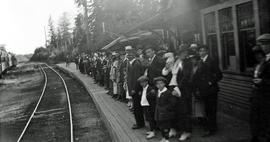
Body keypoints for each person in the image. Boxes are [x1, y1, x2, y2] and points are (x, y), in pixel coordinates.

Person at [193, 45, 223, 137]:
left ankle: (211, 129)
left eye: (203, 50)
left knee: (211, 110)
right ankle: (210, 127)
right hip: (203, 90)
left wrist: (210, 82)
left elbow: (219, 75)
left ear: (207, 51)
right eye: (200, 51)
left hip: (211, 90)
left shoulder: (211, 61)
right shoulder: (199, 61)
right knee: (206, 110)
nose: (201, 52)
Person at [250, 34, 270, 142]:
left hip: (267, 96)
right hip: (257, 95)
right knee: (256, 119)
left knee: (267, 120)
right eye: (262, 44)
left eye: (266, 44)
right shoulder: (260, 62)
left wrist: (263, 82)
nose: (263, 47)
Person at [126, 49, 145, 129]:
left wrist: (134, 89)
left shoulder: (136, 64)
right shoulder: (130, 63)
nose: (128, 56)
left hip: (135, 89)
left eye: (130, 54)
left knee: (137, 107)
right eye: (128, 55)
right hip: (132, 88)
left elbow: (137, 77)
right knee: (136, 106)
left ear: (133, 55)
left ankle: (140, 124)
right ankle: (139, 122)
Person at [154, 76, 176, 142]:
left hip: (165, 114)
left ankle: (166, 139)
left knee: (166, 127)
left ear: (164, 84)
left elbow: (173, 103)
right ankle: (164, 137)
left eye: (161, 83)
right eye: (157, 84)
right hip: (158, 112)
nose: (159, 85)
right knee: (161, 126)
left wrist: (165, 109)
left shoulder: (168, 93)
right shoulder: (158, 92)